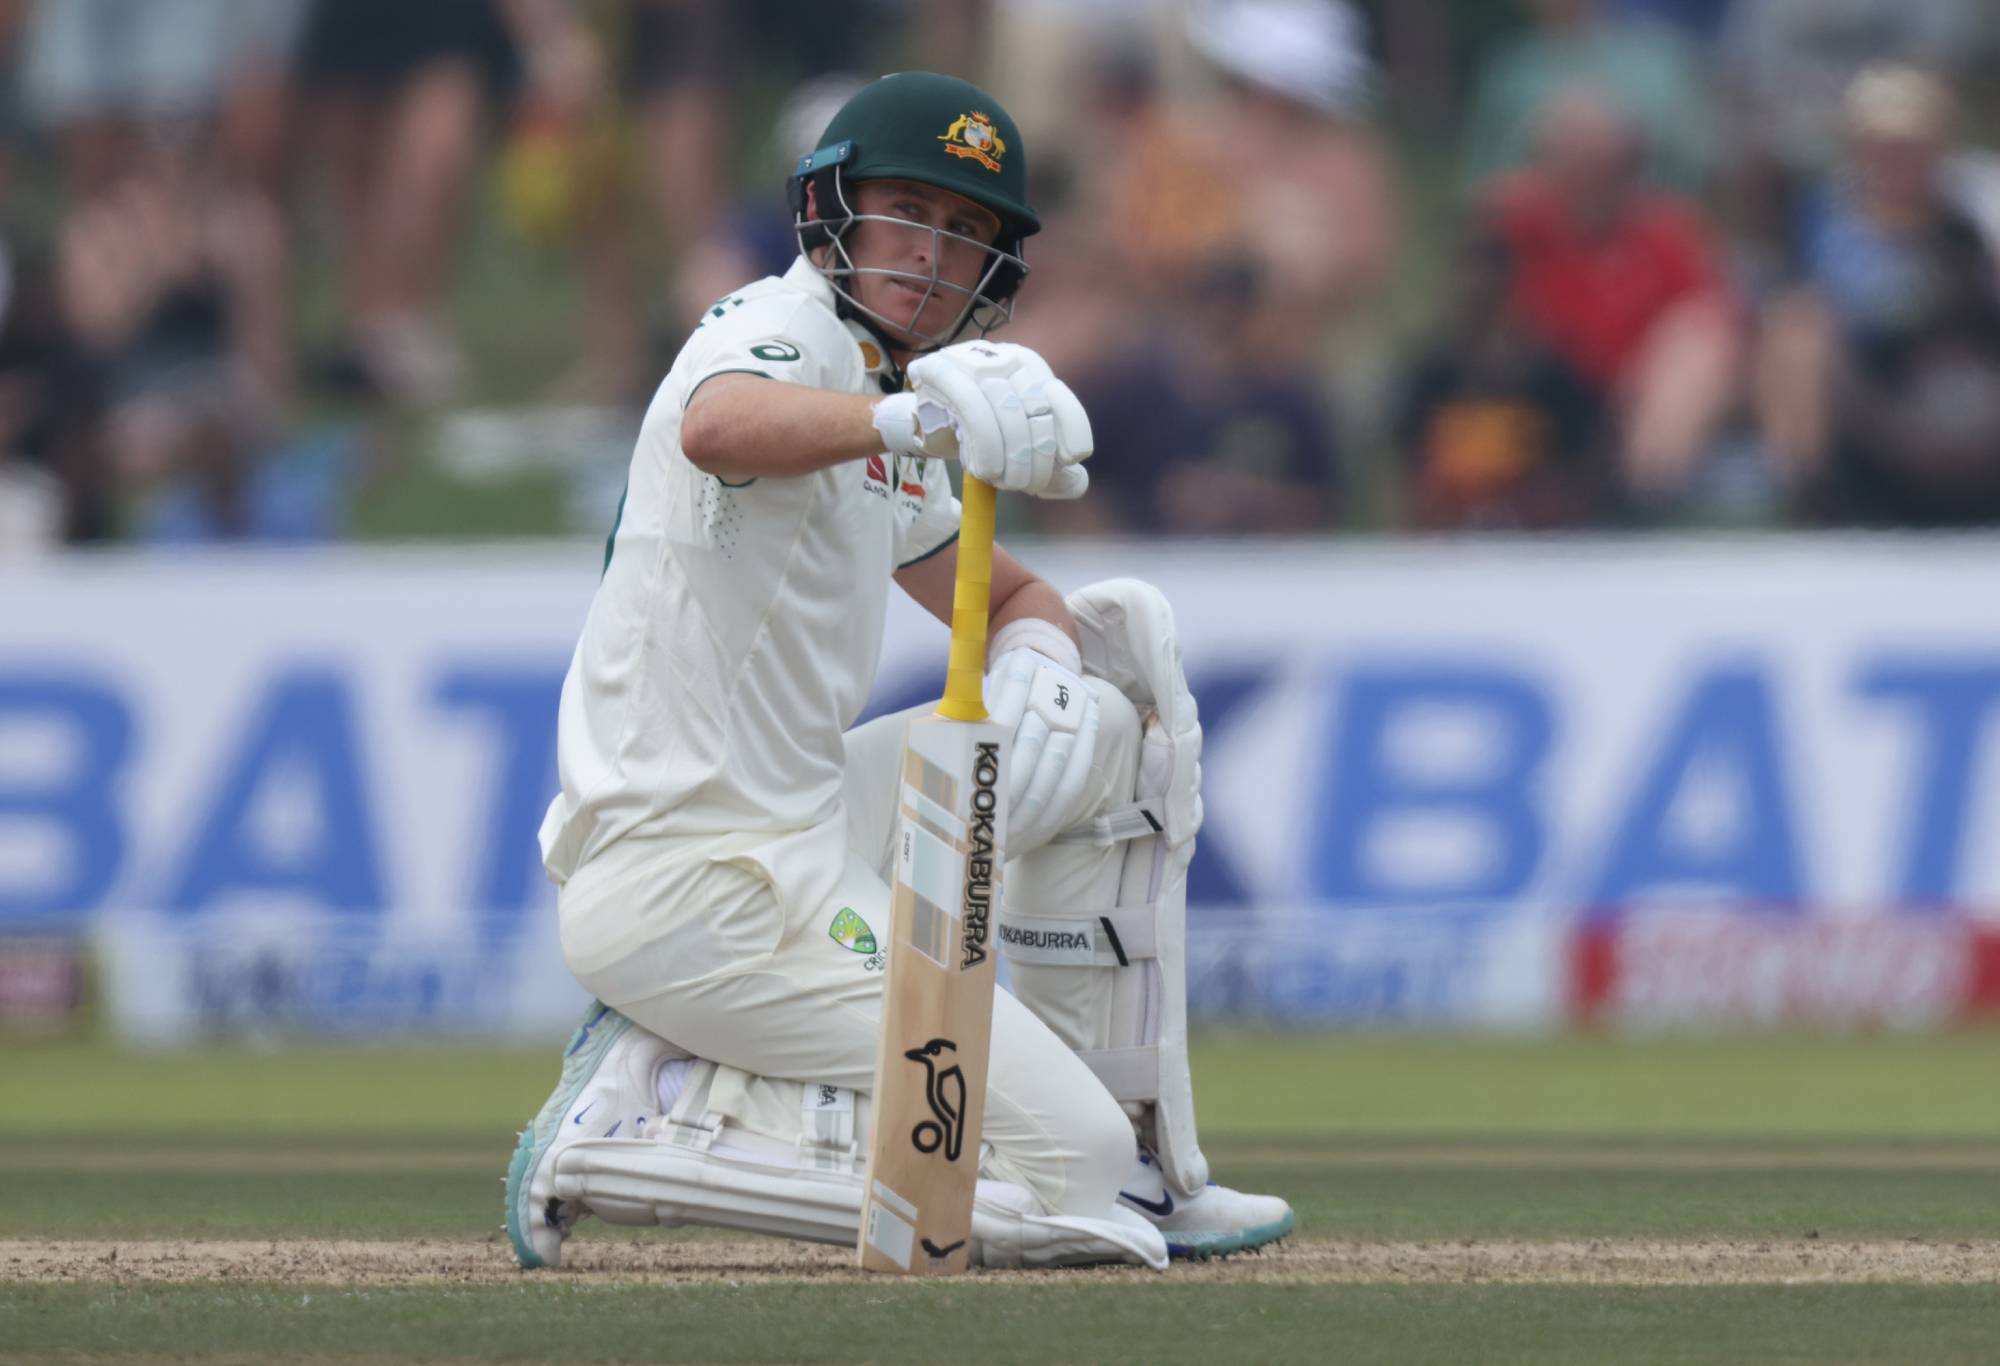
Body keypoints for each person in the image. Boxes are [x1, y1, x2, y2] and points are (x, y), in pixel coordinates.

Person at [504, 72, 1294, 1271]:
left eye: (968, 232)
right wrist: (905, 421)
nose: (933, 256)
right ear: (831, 209)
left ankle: (1146, 1147)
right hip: (691, 876)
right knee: (1063, 1182)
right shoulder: (775, 332)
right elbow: (720, 425)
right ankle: (639, 1115)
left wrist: (1032, 662)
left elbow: (1020, 595)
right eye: (909, 213)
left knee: (1110, 720)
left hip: (800, 820)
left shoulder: (890, 393)